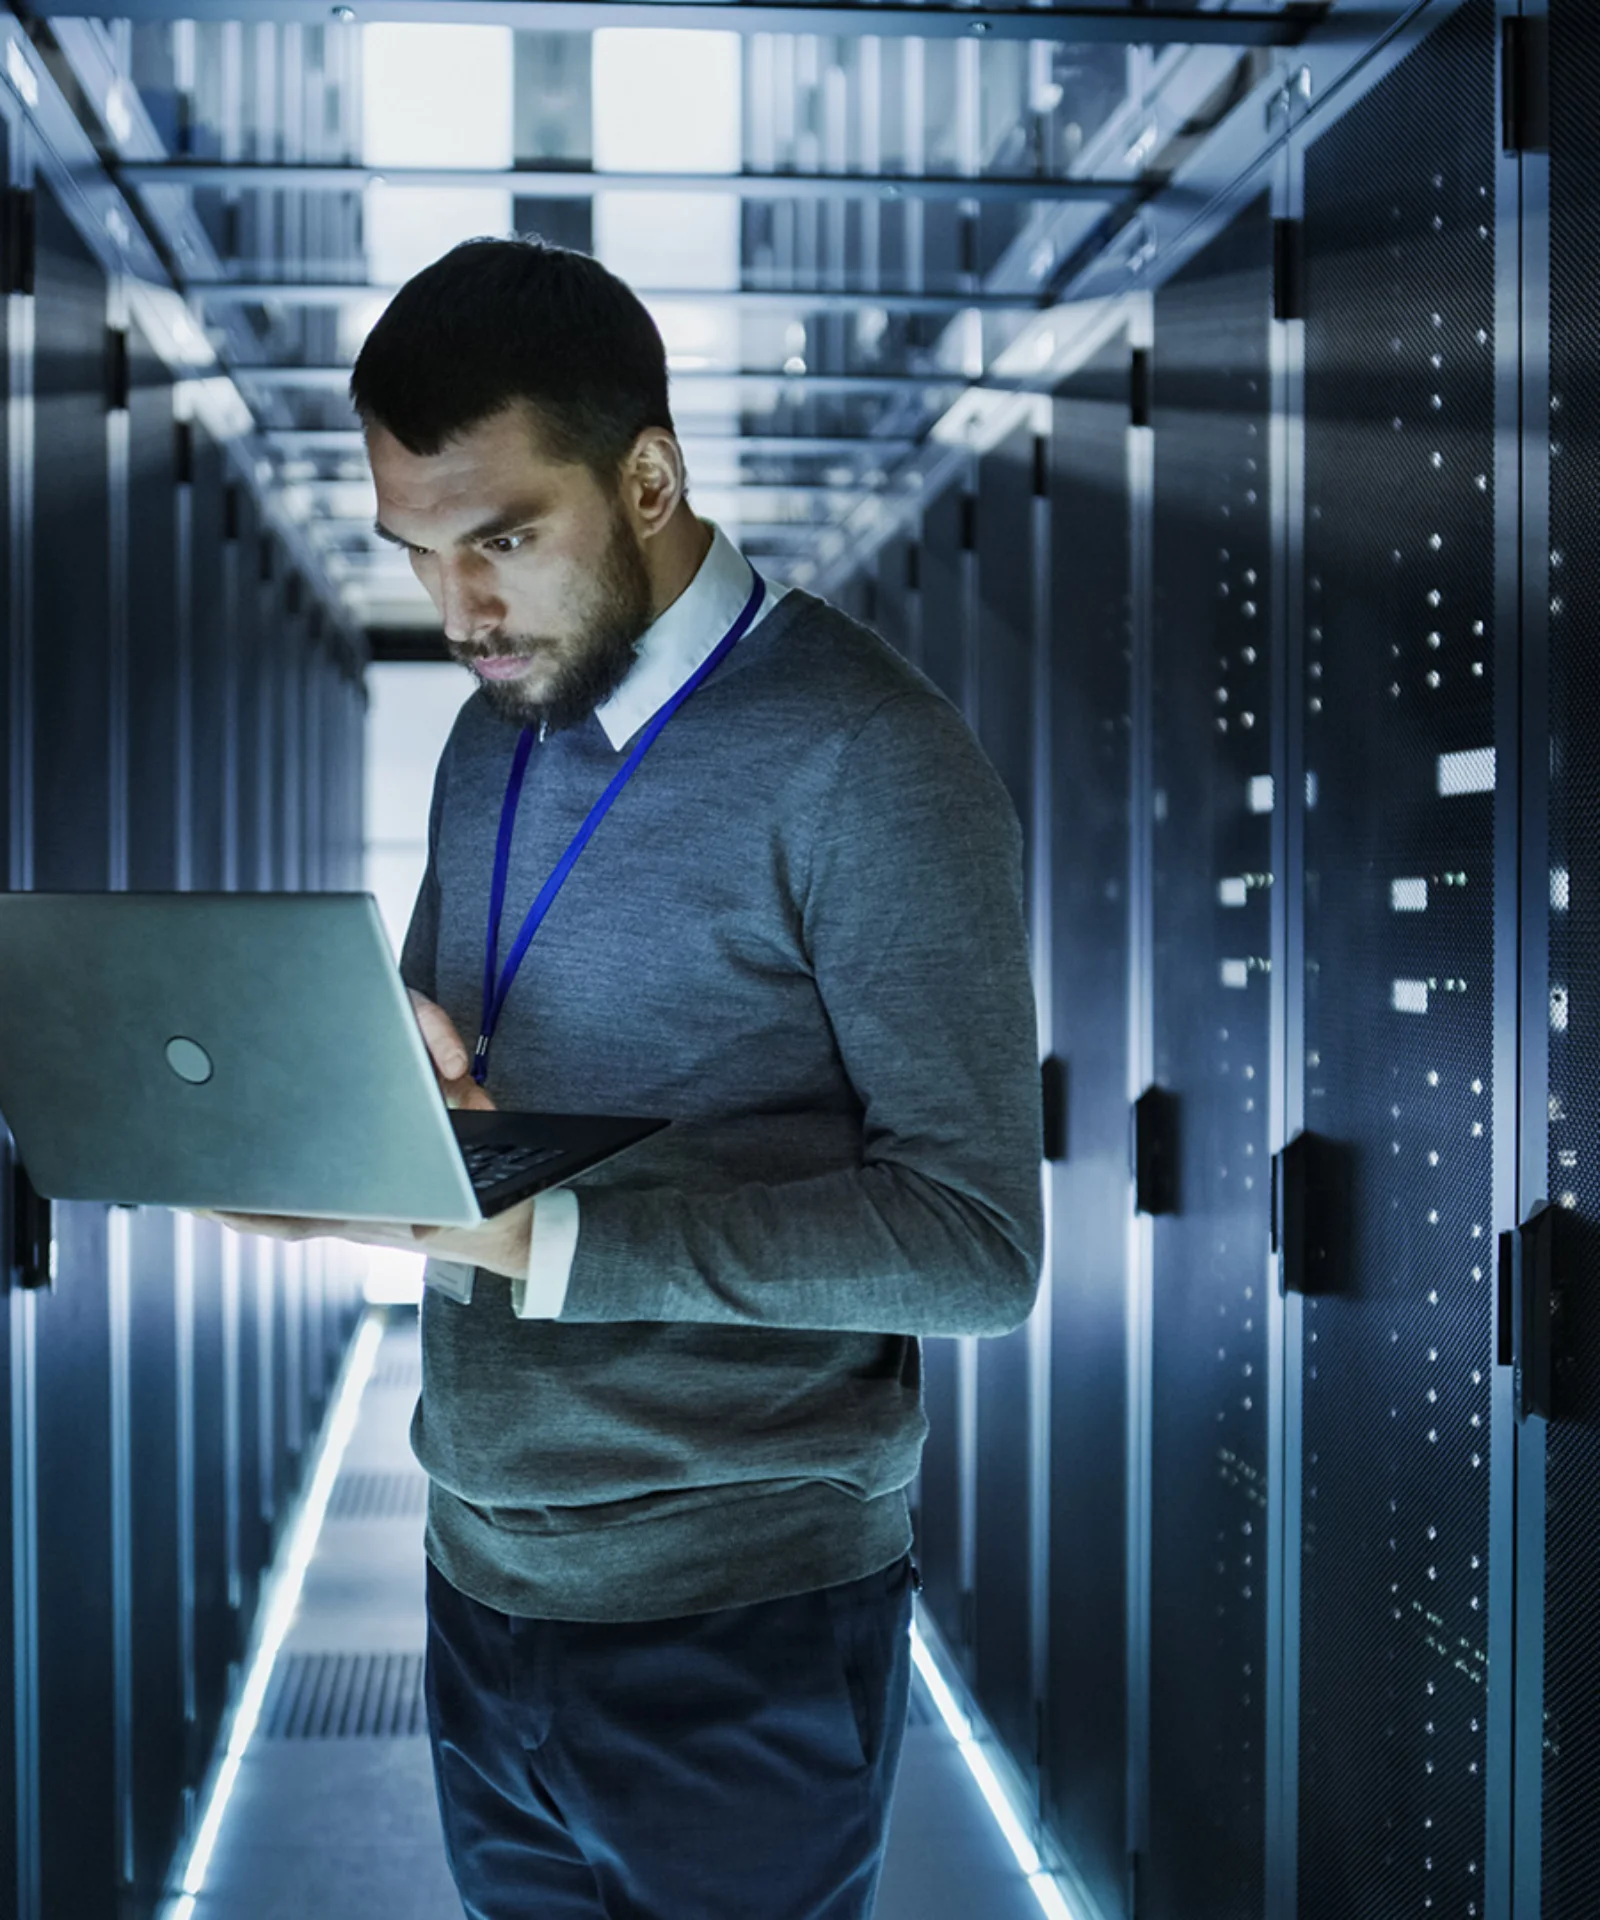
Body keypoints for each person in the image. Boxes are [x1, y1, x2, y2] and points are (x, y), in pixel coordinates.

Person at [219, 236, 1043, 1920]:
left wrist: (554, 1240)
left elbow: (976, 1245)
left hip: (740, 1612)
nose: (458, 614)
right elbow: (475, 1072)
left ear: (649, 474)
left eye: (504, 541)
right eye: (421, 554)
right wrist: (353, 1102)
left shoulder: (868, 755)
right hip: (483, 1564)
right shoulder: (492, 730)